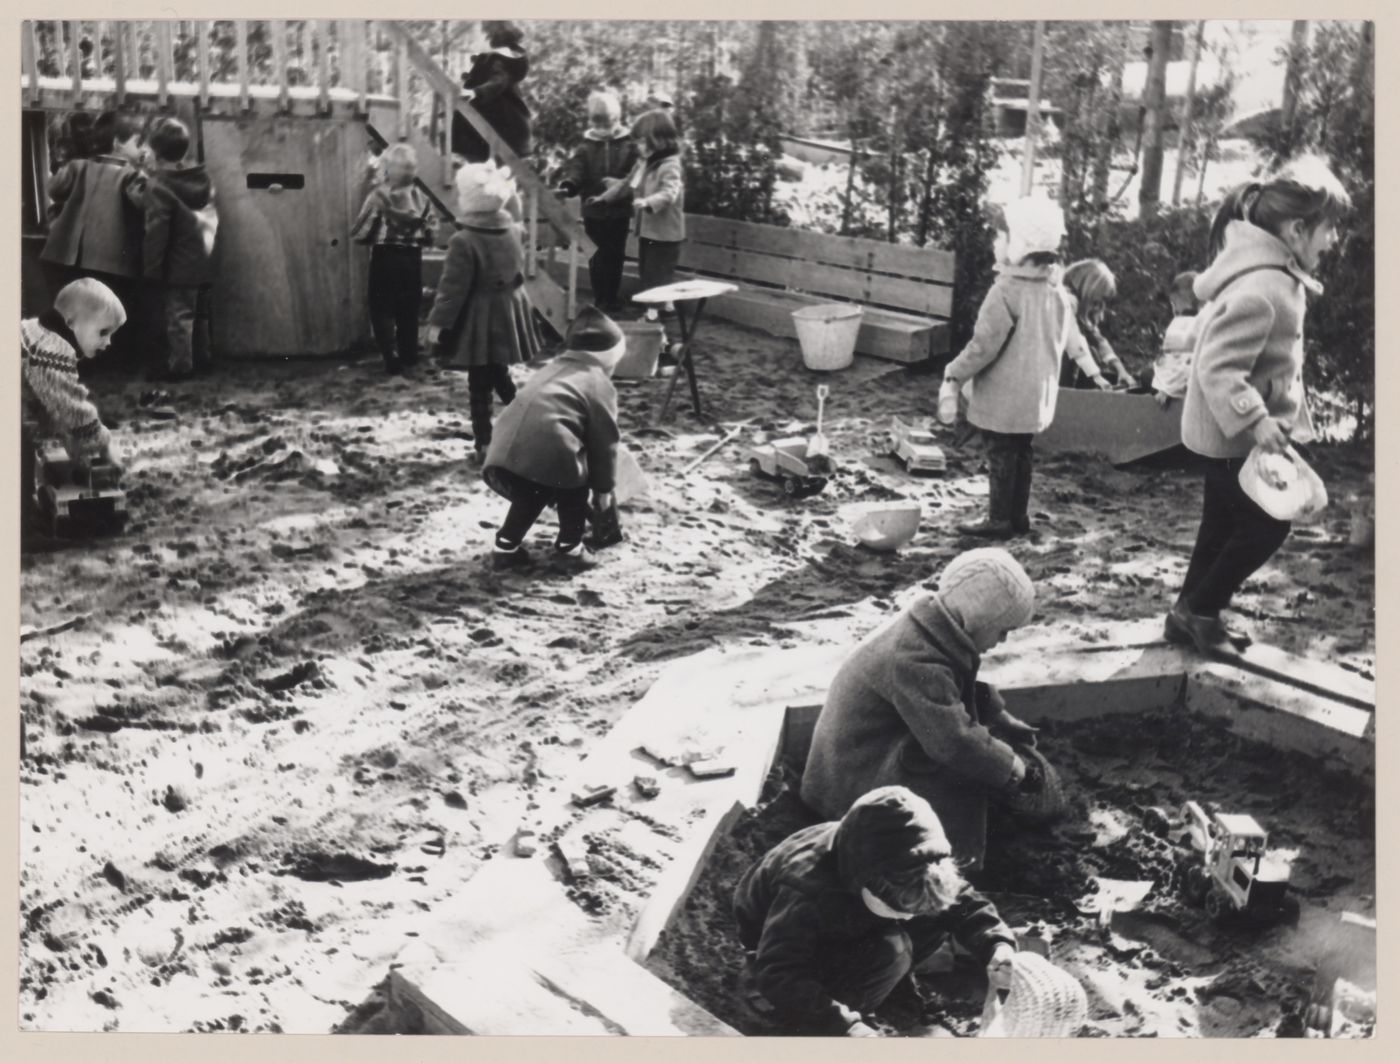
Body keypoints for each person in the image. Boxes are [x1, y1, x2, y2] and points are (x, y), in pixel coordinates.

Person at [1167, 156, 1350, 654]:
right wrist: (1258, 419)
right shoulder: (1263, 287)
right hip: (1236, 435)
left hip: (1230, 434)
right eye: (1328, 230)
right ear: (1296, 229)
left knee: (1220, 524)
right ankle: (1202, 610)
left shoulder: (1270, 274)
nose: (1332, 241)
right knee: (1269, 524)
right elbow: (1218, 368)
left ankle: (1187, 613)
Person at [801, 548, 1048, 873]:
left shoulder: (933, 626)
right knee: (963, 773)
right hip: (850, 780)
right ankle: (947, 862)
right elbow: (953, 741)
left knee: (979, 754)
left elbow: (949, 687)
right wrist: (1014, 767)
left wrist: (998, 714)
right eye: (1001, 630)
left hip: (864, 753)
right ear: (974, 619)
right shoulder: (915, 658)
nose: (1002, 640)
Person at [733, 785, 1018, 1037]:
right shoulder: (807, 893)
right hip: (786, 947)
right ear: (866, 881)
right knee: (892, 952)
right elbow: (778, 971)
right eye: (898, 909)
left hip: (851, 915)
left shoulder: (903, 862)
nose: (908, 918)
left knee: (935, 912)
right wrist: (844, 1025)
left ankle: (889, 980)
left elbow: (962, 900)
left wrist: (997, 944)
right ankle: (852, 1000)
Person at [938, 195, 1103, 539]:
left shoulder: (1005, 292)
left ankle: (998, 518)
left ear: (1021, 244)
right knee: (1022, 453)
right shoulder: (1055, 293)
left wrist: (954, 372)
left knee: (1000, 454)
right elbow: (1065, 341)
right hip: (1035, 395)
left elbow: (983, 346)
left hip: (1005, 395)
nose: (995, 243)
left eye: (1001, 237)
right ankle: (1018, 515)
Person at [480, 306, 625, 571]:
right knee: (574, 485)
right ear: (609, 357)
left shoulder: (552, 368)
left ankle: (505, 547)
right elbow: (604, 444)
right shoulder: (597, 384)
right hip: (547, 453)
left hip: (502, 452)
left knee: (532, 493)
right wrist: (603, 489)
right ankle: (570, 548)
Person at [426, 161, 541, 456]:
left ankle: (485, 441)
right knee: (498, 372)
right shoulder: (514, 231)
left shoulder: (463, 241)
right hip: (507, 311)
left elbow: (452, 289)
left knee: (479, 382)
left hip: (480, 318)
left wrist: (438, 324)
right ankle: (527, 419)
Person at [40, 111, 148, 364]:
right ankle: (106, 357)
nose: (143, 148)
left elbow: (53, 188)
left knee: (77, 305)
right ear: (119, 144)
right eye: (138, 142)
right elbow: (145, 204)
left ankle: (69, 351)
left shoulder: (79, 167)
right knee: (110, 307)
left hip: (67, 254)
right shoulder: (132, 175)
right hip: (110, 258)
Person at [21, 278, 127, 507]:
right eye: (103, 331)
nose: (108, 342)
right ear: (71, 323)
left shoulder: (36, 331)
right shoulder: (52, 351)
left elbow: (48, 402)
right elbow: (71, 407)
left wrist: (74, 442)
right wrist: (102, 441)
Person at [141, 117, 216, 381]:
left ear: (155, 152)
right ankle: (204, 359)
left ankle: (180, 367)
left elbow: (156, 231)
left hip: (179, 265)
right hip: (205, 258)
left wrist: (151, 267)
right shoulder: (201, 177)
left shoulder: (159, 186)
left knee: (180, 317)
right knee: (201, 314)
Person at [352, 142, 435, 375]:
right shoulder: (422, 198)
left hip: (385, 258)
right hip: (412, 259)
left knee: (382, 308)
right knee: (409, 307)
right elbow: (431, 234)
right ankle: (409, 354)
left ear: (387, 169)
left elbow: (361, 231)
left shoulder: (377, 196)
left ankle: (390, 355)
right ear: (413, 170)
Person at [593, 109, 685, 316]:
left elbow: (670, 193)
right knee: (649, 274)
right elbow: (627, 184)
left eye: (642, 142)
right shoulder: (644, 163)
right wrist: (604, 197)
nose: (638, 147)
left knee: (656, 277)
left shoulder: (670, 165)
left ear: (659, 140)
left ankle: (654, 317)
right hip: (648, 232)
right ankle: (660, 309)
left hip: (665, 235)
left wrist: (647, 202)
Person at [556, 90, 640, 314]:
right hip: (593, 211)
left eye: (608, 122)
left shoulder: (628, 144)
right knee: (595, 254)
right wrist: (570, 184)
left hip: (619, 210)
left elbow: (634, 171)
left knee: (615, 254)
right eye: (599, 123)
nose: (603, 129)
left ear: (617, 118)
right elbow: (578, 169)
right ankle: (600, 296)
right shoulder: (586, 146)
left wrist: (621, 184)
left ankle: (611, 296)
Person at [453, 21, 532, 163]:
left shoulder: (500, 58)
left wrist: (475, 92)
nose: (473, 40)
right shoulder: (489, 57)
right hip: (490, 120)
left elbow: (498, 82)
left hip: (504, 122)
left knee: (491, 160)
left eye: (476, 36)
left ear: (488, 36)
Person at [1059, 259, 1139, 389]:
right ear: (1089, 291)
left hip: (1072, 360)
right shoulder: (1065, 301)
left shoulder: (1084, 312)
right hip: (1054, 365)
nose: (1099, 306)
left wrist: (1120, 369)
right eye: (1097, 301)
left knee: (1092, 351)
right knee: (1082, 354)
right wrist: (1095, 376)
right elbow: (1075, 342)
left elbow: (1099, 340)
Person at [1151, 271, 1200, 408]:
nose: (1173, 308)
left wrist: (1167, 389)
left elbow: (1181, 362)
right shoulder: (1205, 320)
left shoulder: (1182, 324)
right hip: (1192, 376)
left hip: (1181, 381)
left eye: (1174, 303)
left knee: (1146, 377)